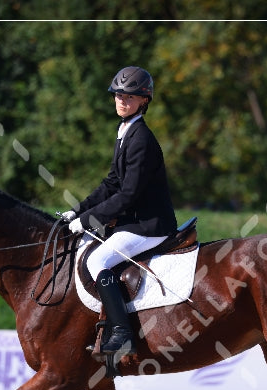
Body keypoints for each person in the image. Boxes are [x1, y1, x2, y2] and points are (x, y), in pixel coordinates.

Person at [62, 66, 178, 357]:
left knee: (98, 259)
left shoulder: (142, 139)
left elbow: (127, 194)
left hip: (151, 225)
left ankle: (123, 332)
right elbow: (112, 182)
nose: (122, 100)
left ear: (144, 100)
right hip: (133, 222)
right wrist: (77, 212)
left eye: (130, 96)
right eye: (118, 95)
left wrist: (88, 220)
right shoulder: (126, 130)